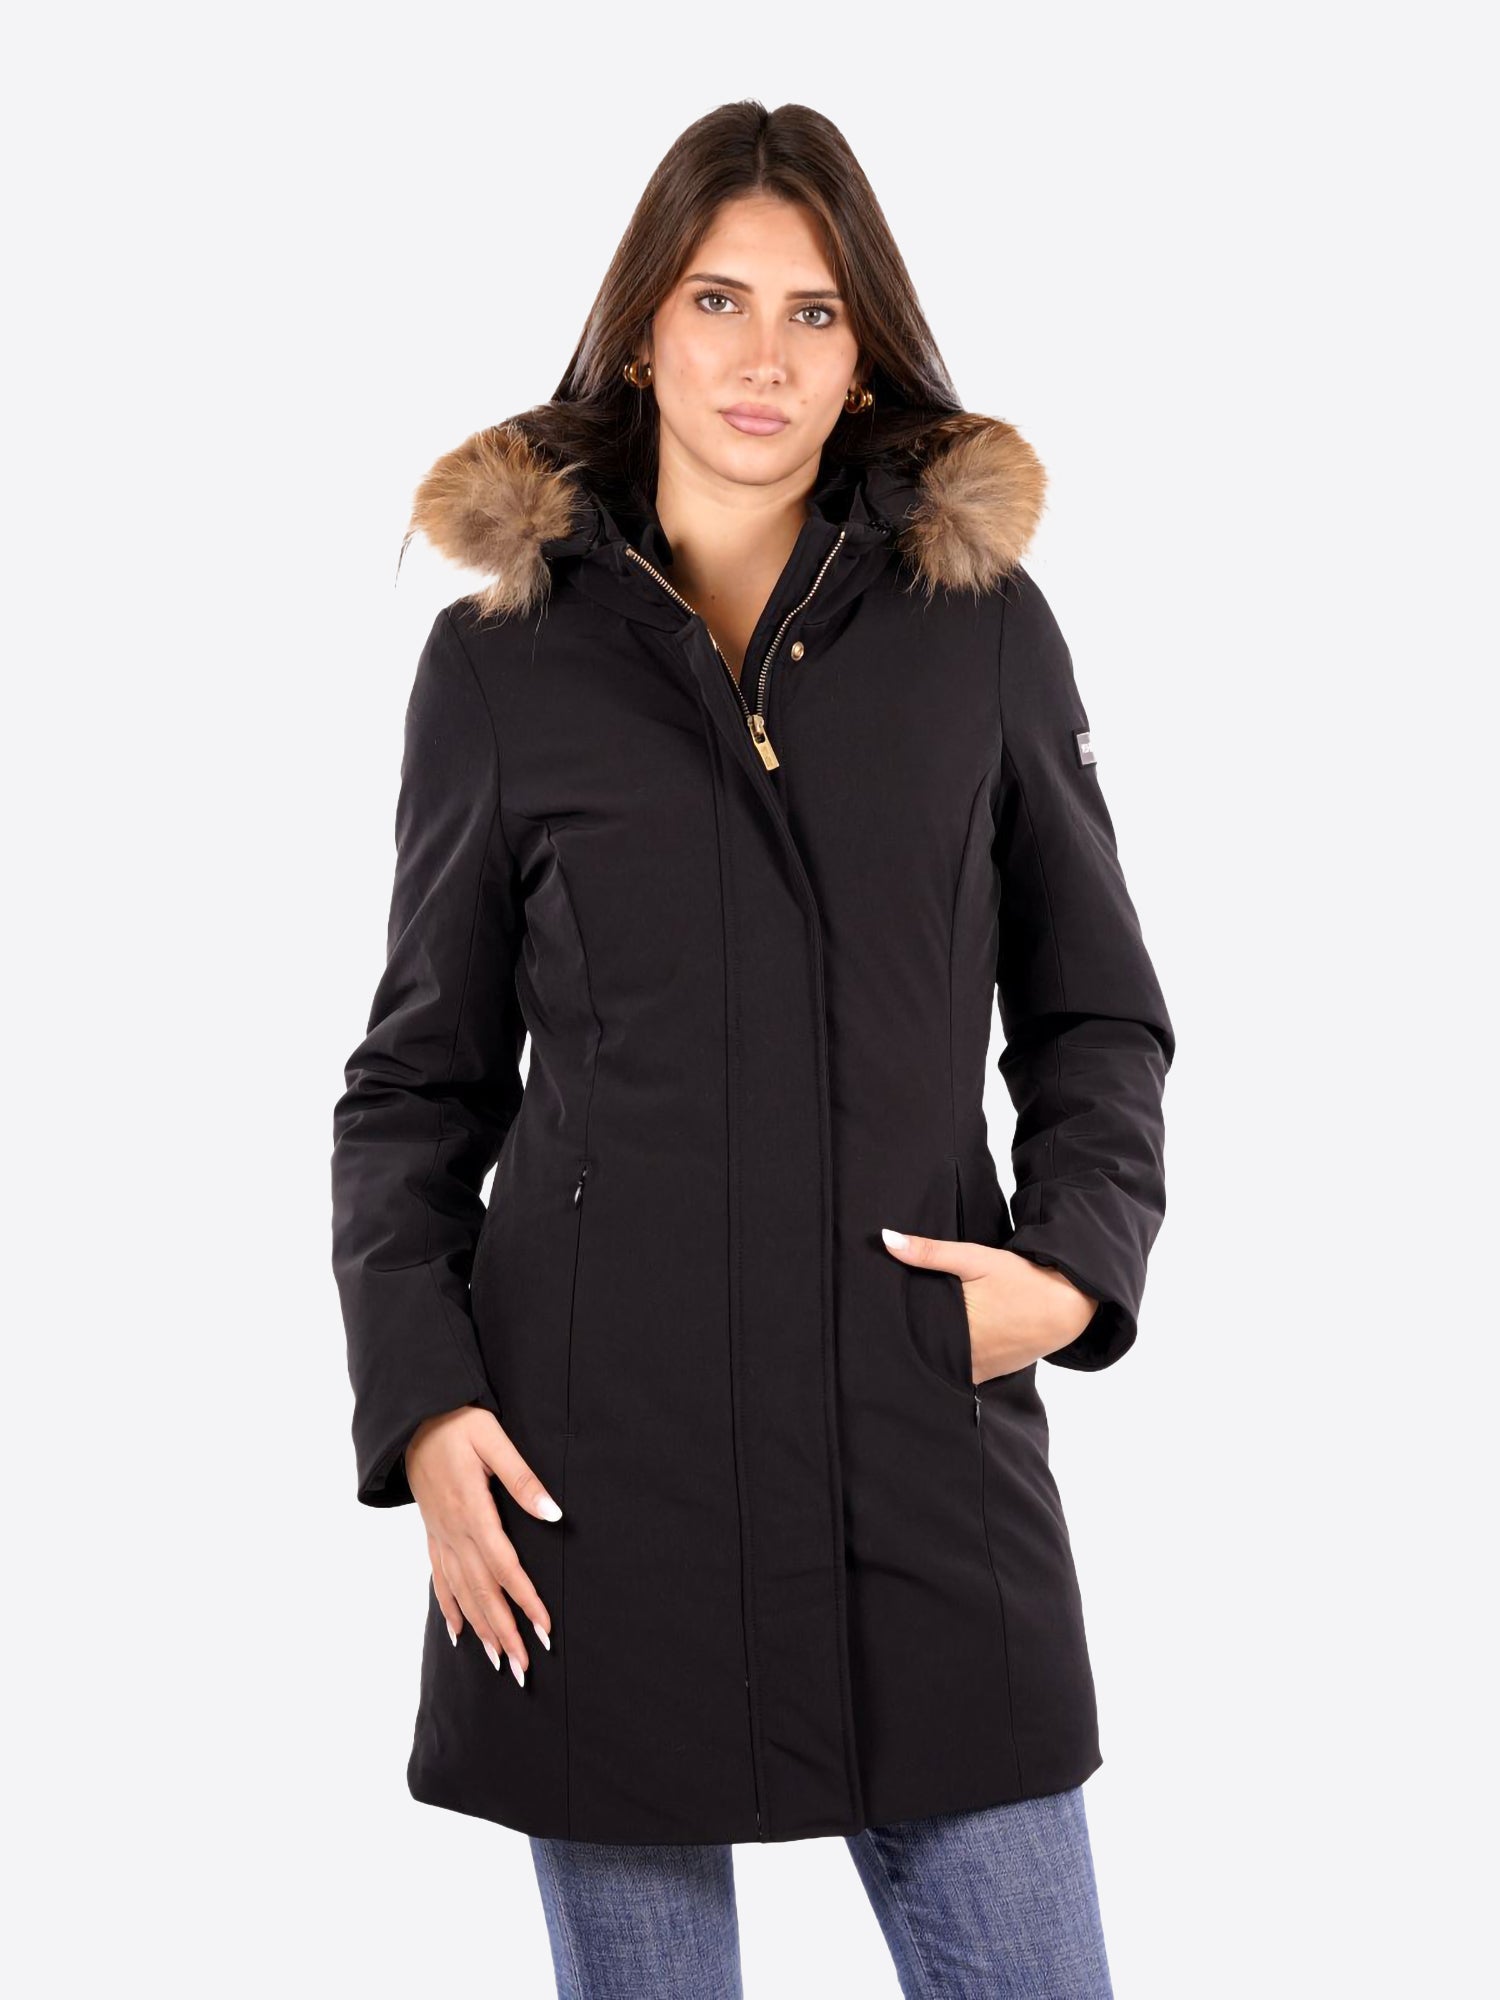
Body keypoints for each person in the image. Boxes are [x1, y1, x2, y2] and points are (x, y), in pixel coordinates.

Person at [330, 97, 1174, 2000]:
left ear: (865, 350)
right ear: (645, 329)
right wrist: (425, 1404)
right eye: (718, 300)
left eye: (813, 311)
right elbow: (414, 1089)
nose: (763, 357)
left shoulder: (980, 634)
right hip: (589, 1473)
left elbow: (1098, 1012)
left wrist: (1070, 1269)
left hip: (919, 1444)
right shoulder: (503, 662)